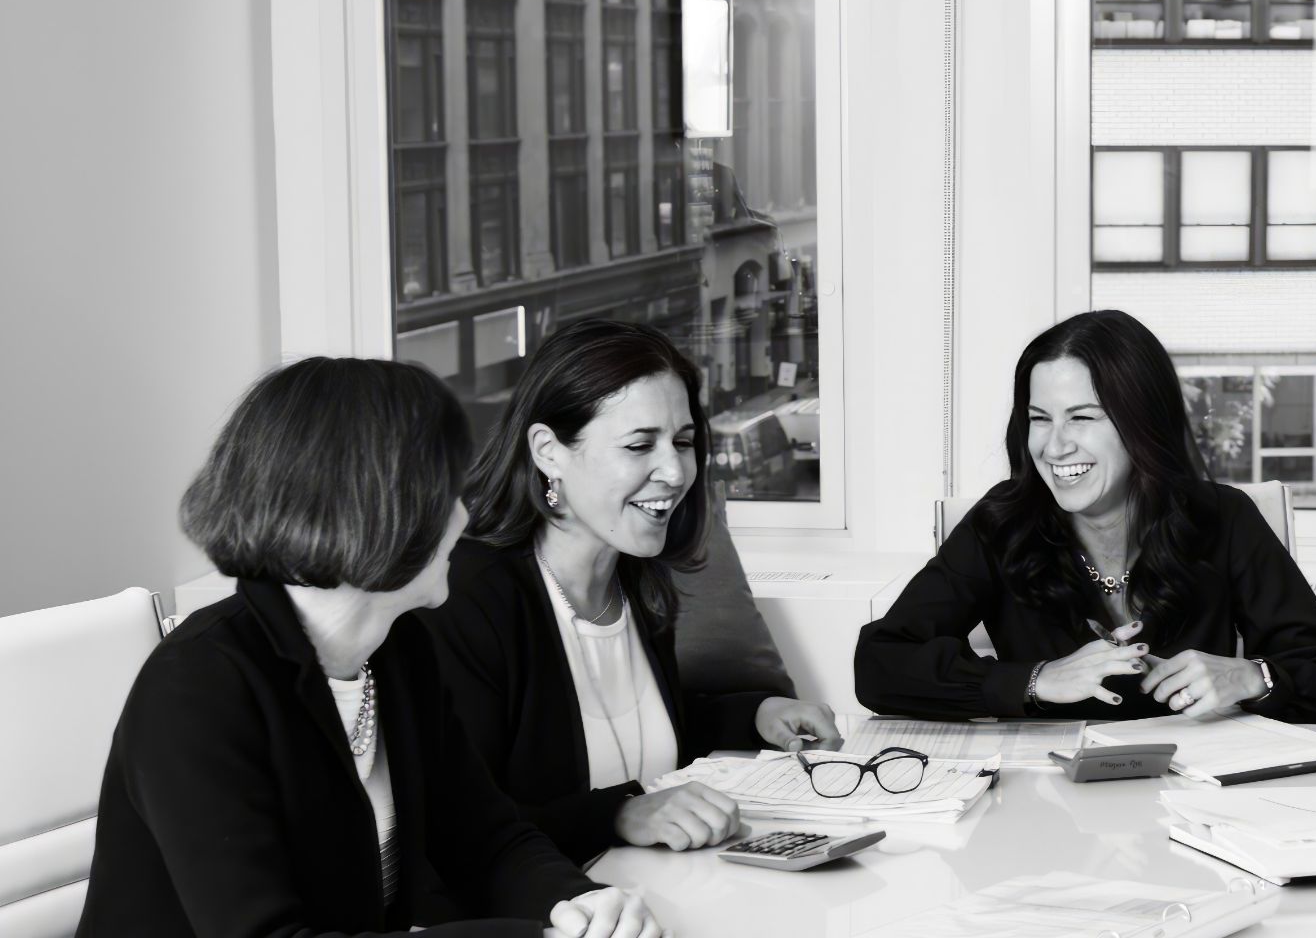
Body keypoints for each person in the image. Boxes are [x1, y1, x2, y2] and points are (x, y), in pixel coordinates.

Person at [78, 358, 663, 938]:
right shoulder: (197, 686)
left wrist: (578, 906)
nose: (463, 517)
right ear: (380, 507)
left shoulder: (398, 650)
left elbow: (486, 839)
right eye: (446, 492)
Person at [424, 319, 842, 866]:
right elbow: (454, 827)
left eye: (684, 442)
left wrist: (759, 713)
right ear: (549, 451)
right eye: (640, 444)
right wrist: (619, 814)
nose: (674, 471)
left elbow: (637, 727)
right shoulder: (469, 598)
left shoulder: (637, 580)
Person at [854, 310, 1316, 724]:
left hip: (1195, 794)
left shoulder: (1223, 517)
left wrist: (1251, 677)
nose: (1055, 446)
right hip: (1046, 811)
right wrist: (1037, 680)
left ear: (1142, 423)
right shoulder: (1000, 523)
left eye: (1082, 417)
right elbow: (880, 663)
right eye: (1039, 419)